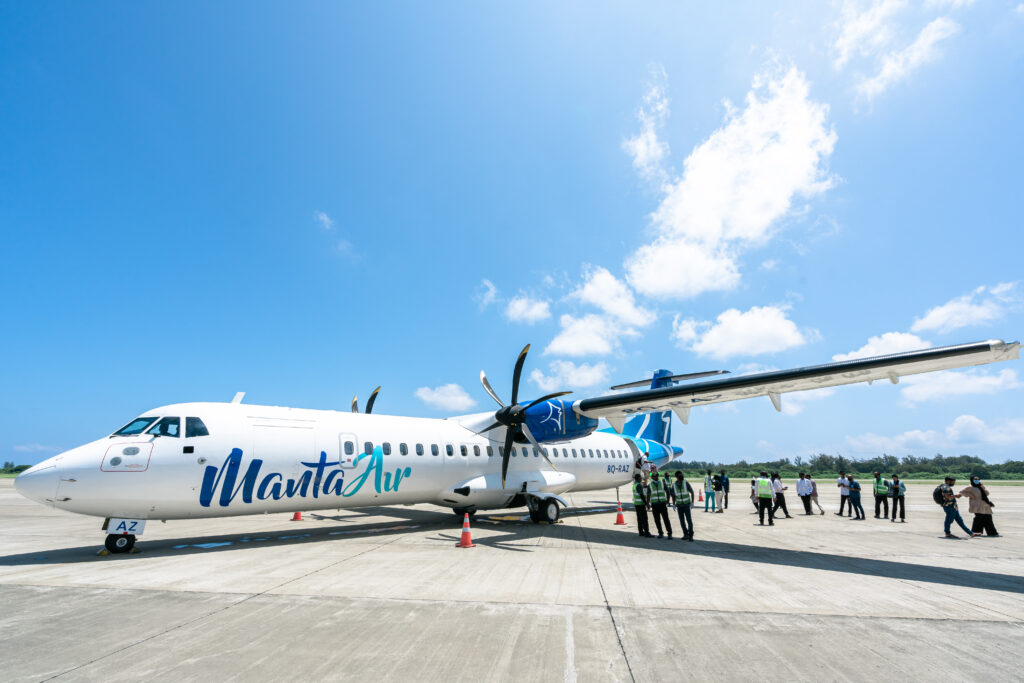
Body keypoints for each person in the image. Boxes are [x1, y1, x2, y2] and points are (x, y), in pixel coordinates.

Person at [648, 471, 673, 538]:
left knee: (666, 519)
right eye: (653, 476)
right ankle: (660, 533)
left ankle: (669, 533)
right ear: (652, 477)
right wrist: (648, 503)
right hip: (654, 504)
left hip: (662, 504)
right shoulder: (650, 485)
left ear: (657, 476)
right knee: (657, 520)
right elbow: (648, 494)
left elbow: (668, 491)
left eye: (656, 476)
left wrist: (668, 500)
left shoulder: (662, 483)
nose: (655, 477)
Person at [672, 471, 695, 541]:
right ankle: (685, 534)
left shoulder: (685, 482)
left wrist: (692, 502)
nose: (680, 476)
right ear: (676, 477)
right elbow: (673, 495)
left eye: (681, 474)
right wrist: (673, 504)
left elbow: (692, 492)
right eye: (679, 475)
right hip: (679, 505)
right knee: (682, 521)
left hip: (686, 504)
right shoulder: (674, 485)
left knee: (689, 520)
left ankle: (690, 535)